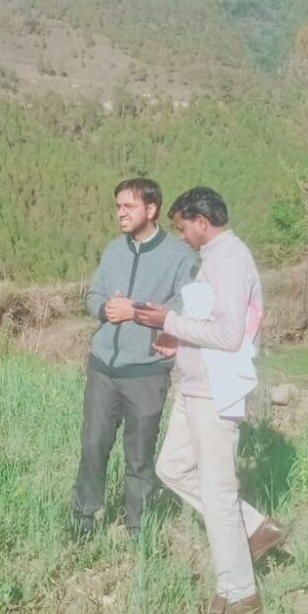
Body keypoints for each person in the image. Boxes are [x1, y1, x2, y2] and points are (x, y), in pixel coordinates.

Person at [134, 187, 289, 614]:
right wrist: (177, 337)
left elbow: (229, 334)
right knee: (172, 467)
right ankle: (256, 528)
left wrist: (169, 320)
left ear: (202, 222)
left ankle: (240, 593)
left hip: (216, 392)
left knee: (217, 492)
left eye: (183, 227)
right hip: (196, 386)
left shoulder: (230, 260)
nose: (182, 236)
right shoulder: (215, 258)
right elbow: (210, 323)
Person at [72, 178, 197, 539]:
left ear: (151, 209)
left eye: (128, 206)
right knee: (93, 446)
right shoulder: (114, 250)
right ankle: (83, 520)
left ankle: (138, 529)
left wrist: (136, 312)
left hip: (146, 371)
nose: (120, 213)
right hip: (103, 368)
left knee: (139, 454)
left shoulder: (179, 256)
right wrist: (104, 309)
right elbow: (94, 294)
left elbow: (188, 306)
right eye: (118, 207)